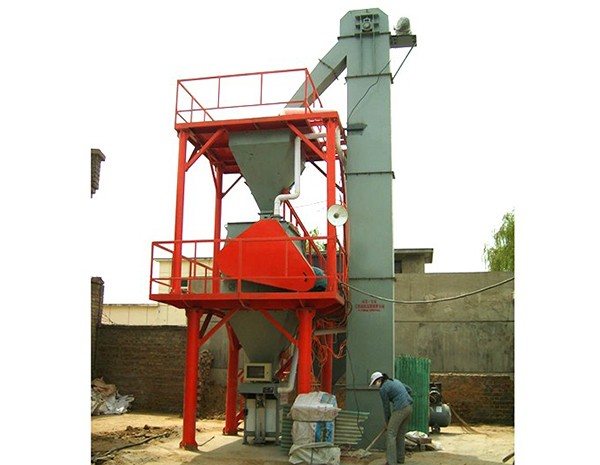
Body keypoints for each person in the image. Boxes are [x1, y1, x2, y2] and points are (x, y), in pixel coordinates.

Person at [370, 371, 413, 464]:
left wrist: (388, 421)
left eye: (374, 383)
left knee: (391, 434)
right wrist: (405, 399)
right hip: (409, 407)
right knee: (400, 435)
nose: (375, 385)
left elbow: (386, 407)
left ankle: (391, 462)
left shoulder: (383, 389)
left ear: (379, 380)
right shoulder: (394, 381)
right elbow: (409, 390)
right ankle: (400, 459)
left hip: (400, 409)